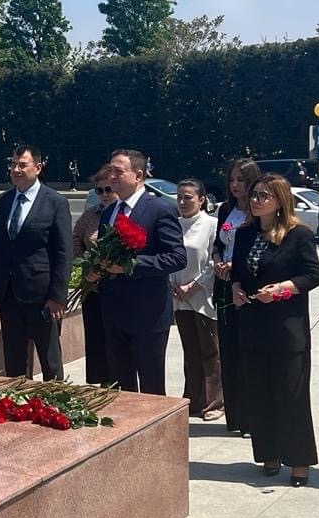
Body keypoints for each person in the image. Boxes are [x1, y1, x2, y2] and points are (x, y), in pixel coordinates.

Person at [231, 174, 319, 487]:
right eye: (254, 195)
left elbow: (313, 275)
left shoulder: (298, 234)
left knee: (291, 395)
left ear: (280, 200)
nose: (256, 201)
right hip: (253, 324)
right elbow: (238, 272)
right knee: (260, 393)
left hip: (286, 329)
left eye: (263, 196)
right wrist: (236, 287)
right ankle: (268, 454)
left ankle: (299, 461)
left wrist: (282, 289)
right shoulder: (245, 233)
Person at [95, 149, 186, 395]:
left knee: (151, 390)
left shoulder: (159, 209)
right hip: (114, 313)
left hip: (148, 314)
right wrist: (96, 269)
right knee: (121, 389)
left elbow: (177, 257)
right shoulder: (109, 212)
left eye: (118, 171)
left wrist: (130, 265)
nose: (112, 176)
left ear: (138, 175)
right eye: (110, 170)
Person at [0, 145, 72, 381]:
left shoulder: (55, 202)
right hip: (9, 294)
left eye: (22, 165)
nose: (16, 170)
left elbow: (64, 253)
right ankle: (18, 399)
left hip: (42, 297)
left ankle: (54, 400)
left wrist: (58, 296)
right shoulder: (4, 202)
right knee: (14, 362)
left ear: (38, 167)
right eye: (13, 165)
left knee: (50, 361)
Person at [213, 158, 262, 435]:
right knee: (228, 350)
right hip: (223, 286)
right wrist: (218, 260)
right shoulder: (225, 210)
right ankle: (234, 417)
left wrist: (236, 265)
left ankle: (251, 417)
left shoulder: (258, 212)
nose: (235, 185)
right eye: (231, 180)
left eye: (241, 180)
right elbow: (217, 244)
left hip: (247, 288)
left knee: (247, 352)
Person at [171, 179, 223, 419]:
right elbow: (168, 255)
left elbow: (214, 261)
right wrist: (172, 284)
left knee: (210, 352)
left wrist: (193, 285)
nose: (182, 202)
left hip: (203, 296)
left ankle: (215, 403)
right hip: (178, 297)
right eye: (179, 197)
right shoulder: (174, 224)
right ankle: (193, 399)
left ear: (201, 200)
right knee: (190, 351)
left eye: (188, 197)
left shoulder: (211, 225)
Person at [71, 165, 116, 384]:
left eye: (108, 189)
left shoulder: (125, 213)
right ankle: (101, 382)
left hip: (118, 288)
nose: (104, 195)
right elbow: (74, 239)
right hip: (93, 288)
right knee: (96, 339)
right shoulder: (90, 215)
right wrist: (87, 265)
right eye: (99, 191)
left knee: (115, 340)